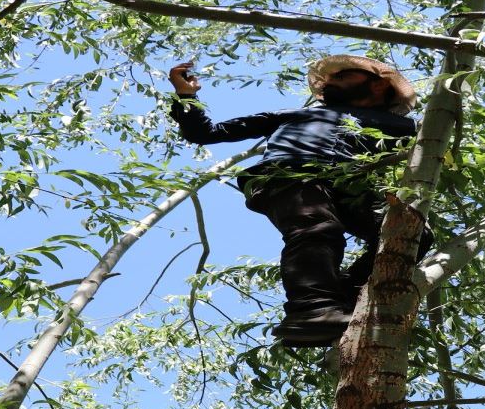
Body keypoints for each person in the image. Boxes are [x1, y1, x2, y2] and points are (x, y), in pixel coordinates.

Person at [167, 54, 423, 347]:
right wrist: (186, 96)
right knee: (316, 228)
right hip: (289, 174)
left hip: (349, 184)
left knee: (413, 233)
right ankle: (312, 310)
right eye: (329, 78)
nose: (329, 81)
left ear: (378, 86)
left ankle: (342, 296)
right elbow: (205, 133)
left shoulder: (401, 127)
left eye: (342, 76)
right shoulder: (295, 114)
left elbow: (433, 153)